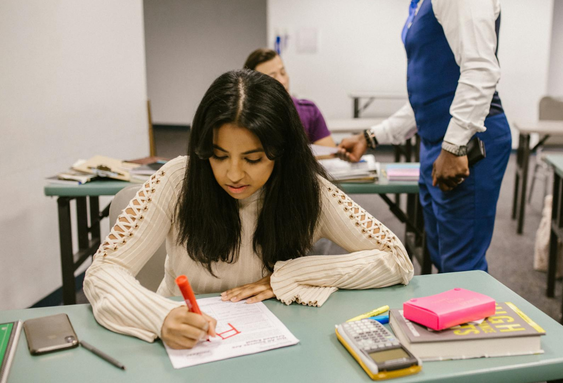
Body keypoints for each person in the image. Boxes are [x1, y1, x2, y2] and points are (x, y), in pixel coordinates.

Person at [84, 70, 414, 349]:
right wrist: (160, 316)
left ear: (281, 152)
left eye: (253, 159)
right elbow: (103, 271)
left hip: (273, 340)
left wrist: (289, 276)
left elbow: (397, 260)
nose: (234, 174)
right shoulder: (177, 181)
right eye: (219, 155)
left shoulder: (307, 191)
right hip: (187, 344)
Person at [338, 0, 511, 273]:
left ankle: (464, 314)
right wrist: (369, 137)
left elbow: (481, 70)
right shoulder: (418, 4)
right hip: (438, 144)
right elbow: (428, 99)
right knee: (441, 255)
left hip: (468, 144)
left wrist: (454, 147)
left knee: (461, 266)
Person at [244, 48, 335, 147]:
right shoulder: (247, 117)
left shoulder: (308, 110)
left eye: (283, 73)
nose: (282, 81)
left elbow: (329, 151)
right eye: (272, 77)